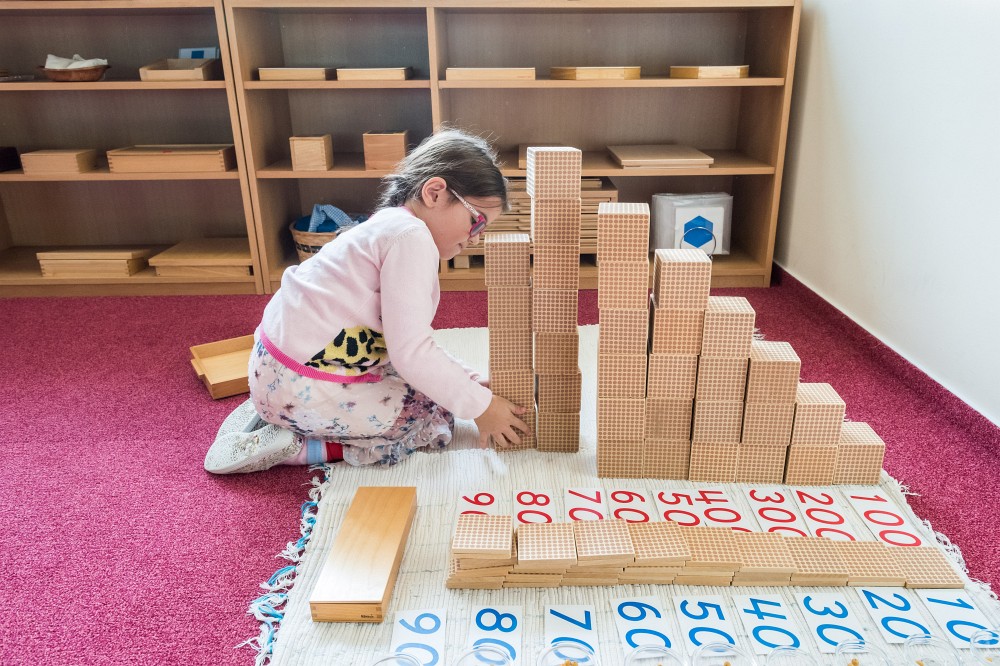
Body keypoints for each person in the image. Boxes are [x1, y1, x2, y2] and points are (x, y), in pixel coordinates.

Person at [204, 129, 529, 474]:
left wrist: (467, 380)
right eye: (475, 222)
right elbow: (412, 352)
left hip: (273, 367)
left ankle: (279, 413)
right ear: (434, 192)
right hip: (299, 385)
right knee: (425, 418)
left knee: (435, 389)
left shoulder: (389, 225)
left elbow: (401, 342)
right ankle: (300, 446)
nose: (474, 239)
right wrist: (480, 407)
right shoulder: (411, 238)